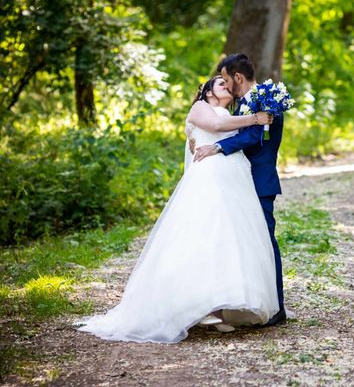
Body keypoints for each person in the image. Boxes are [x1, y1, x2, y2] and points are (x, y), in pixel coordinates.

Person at [74, 76, 279, 343]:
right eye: (219, 85)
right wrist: (256, 119)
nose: (226, 87)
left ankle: (216, 308)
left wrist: (261, 119)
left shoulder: (233, 113)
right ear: (206, 93)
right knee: (201, 235)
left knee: (226, 240)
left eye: (228, 85)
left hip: (233, 178)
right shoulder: (200, 108)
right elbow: (216, 125)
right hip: (210, 178)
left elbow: (236, 136)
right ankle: (194, 304)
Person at [193, 54, 287, 326]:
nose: (224, 84)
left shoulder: (269, 101)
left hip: (259, 181)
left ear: (238, 77)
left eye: (226, 79)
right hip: (238, 183)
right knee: (244, 244)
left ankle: (276, 307)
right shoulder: (243, 107)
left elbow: (253, 135)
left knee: (266, 242)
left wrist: (218, 146)